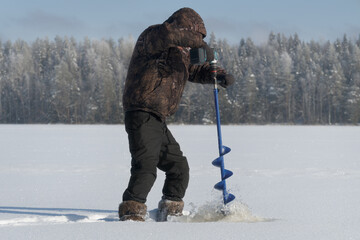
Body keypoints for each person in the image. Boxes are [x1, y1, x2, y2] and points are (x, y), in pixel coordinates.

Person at [119, 7, 234, 221]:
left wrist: (217, 75)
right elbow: (171, 35)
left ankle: (170, 212)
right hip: (141, 111)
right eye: (195, 35)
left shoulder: (181, 53)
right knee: (146, 165)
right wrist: (201, 45)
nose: (195, 41)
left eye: (199, 38)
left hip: (157, 117)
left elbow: (194, 71)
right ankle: (132, 214)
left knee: (178, 167)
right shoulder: (154, 36)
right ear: (183, 27)